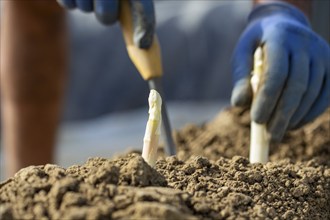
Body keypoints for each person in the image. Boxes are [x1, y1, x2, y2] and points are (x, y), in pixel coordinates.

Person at [1, 0, 329, 178]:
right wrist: (29, 182)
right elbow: (28, 14)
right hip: (90, 40)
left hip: (225, 24)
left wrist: (280, 8)